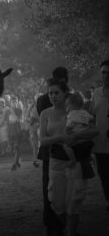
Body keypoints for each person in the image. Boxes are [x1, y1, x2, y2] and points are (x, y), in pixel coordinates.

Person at [40, 79, 98, 236]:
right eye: (50, 93)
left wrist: (78, 134)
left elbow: (94, 131)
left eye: (56, 92)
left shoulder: (76, 110)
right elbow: (43, 141)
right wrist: (61, 137)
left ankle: (71, 232)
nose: (53, 96)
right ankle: (68, 228)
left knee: (74, 201)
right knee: (57, 203)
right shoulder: (45, 113)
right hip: (56, 162)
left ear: (65, 93)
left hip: (76, 162)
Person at [36, 66, 69, 236]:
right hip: (55, 151)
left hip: (53, 151)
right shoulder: (65, 100)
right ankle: (59, 224)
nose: (54, 96)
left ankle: (52, 223)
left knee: (49, 187)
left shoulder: (42, 100)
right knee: (56, 188)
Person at [90, 59, 109, 212]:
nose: (106, 76)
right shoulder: (96, 93)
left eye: (108, 73)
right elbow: (92, 116)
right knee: (103, 174)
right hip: (100, 143)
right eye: (103, 72)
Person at [63, 93, 95, 179]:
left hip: (76, 137)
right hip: (87, 138)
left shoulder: (71, 114)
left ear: (72, 105)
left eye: (67, 105)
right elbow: (92, 119)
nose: (66, 107)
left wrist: (66, 132)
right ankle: (91, 156)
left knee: (65, 146)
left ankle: (72, 160)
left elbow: (69, 126)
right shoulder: (85, 112)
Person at [8, 95, 22, 170]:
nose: (14, 103)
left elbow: (18, 119)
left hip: (17, 131)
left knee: (16, 147)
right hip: (10, 132)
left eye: (15, 102)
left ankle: (14, 164)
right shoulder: (7, 111)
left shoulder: (19, 110)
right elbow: (6, 121)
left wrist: (12, 111)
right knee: (11, 150)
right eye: (12, 102)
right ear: (10, 103)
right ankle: (17, 161)